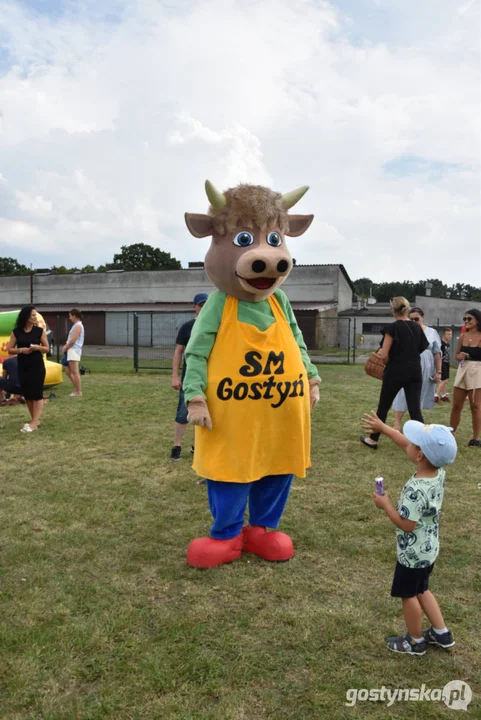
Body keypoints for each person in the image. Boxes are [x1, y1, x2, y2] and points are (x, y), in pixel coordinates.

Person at [362, 411, 457, 656]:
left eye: (414, 444)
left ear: (420, 454)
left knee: (409, 594)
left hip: (412, 554)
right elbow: (406, 443)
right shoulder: (438, 472)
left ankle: (415, 641)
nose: (408, 443)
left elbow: (407, 525)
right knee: (422, 589)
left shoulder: (416, 488)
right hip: (429, 549)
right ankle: (441, 632)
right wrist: (383, 427)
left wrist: (386, 505)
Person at [360, 297, 429, 449]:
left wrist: (386, 364)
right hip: (415, 370)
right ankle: (424, 443)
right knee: (414, 408)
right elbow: (422, 347)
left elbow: (384, 355)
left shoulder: (392, 328)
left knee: (384, 406)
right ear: (407, 309)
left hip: (396, 371)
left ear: (393, 309)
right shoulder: (417, 327)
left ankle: (373, 439)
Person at [170, 293, 208, 459]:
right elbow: (178, 352)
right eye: (201, 305)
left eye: (207, 304)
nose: (204, 308)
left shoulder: (216, 326)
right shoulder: (187, 327)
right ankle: (176, 446)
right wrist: (175, 376)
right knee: (183, 412)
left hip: (210, 378)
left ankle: (198, 446)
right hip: (190, 378)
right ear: (194, 307)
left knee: (203, 413)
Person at [392, 308, 442, 430]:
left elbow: (437, 353)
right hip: (408, 364)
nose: (414, 321)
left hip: (427, 367)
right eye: (411, 319)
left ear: (423, 317)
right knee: (403, 393)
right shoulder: (406, 330)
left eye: (416, 319)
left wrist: (439, 371)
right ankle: (397, 423)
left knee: (419, 395)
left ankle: (415, 425)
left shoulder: (432, 332)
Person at [6, 305, 49, 432]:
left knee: (37, 393)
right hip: (23, 365)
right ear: (26, 317)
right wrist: (21, 350)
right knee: (28, 394)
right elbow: (9, 349)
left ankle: (34, 423)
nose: (35, 317)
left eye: (36, 315)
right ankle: (34, 420)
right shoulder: (16, 332)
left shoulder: (39, 331)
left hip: (37, 365)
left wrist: (37, 347)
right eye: (33, 315)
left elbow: (47, 348)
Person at [449, 308, 481, 447]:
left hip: (477, 371)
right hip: (462, 370)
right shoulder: (462, 336)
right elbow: (456, 355)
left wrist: (470, 355)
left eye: (469, 319)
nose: (466, 321)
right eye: (465, 319)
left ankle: (475, 437)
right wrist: (459, 356)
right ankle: (451, 433)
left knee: (475, 407)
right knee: (456, 405)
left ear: (477, 320)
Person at [62, 309, 85, 397]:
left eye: (70, 316)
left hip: (74, 350)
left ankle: (78, 391)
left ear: (74, 315)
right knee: (68, 372)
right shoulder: (76, 325)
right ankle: (76, 388)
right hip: (71, 350)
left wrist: (66, 347)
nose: (70, 318)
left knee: (75, 372)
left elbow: (73, 339)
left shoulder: (78, 326)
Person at [435, 328, 453, 403]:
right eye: (448, 334)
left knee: (444, 380)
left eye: (451, 334)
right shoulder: (441, 344)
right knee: (444, 380)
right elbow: (438, 355)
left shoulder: (447, 344)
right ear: (444, 334)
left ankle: (443, 395)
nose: (450, 336)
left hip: (447, 363)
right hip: (442, 364)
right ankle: (435, 395)